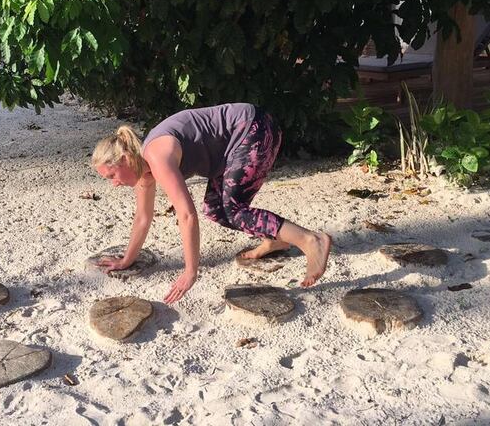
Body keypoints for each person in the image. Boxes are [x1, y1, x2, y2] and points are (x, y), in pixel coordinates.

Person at [91, 103, 332, 304]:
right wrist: (126, 260)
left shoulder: (155, 156)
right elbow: (143, 218)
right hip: (234, 146)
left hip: (254, 129)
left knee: (235, 209)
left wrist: (190, 272)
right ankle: (276, 238)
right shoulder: (144, 170)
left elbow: (186, 216)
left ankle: (312, 241)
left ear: (124, 159)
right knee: (216, 209)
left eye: (112, 175)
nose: (114, 184)